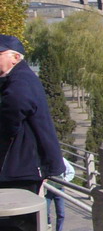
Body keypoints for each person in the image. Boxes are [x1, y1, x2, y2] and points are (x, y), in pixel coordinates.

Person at [0, 35, 64, 193]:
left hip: (22, 169)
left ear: (15, 57)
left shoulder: (21, 81)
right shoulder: (15, 79)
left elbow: (11, 114)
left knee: (18, 214)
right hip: (20, 167)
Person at [46, 157, 75, 231]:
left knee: (61, 213)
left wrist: (64, 181)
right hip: (47, 189)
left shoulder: (62, 160)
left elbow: (71, 171)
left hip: (59, 188)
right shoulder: (45, 159)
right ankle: (47, 230)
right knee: (45, 211)